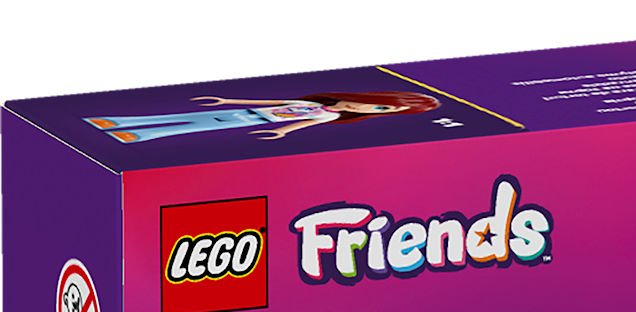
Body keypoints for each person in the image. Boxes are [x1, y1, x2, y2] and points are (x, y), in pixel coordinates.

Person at [85, 90, 439, 144]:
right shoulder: (318, 102)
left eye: (382, 111)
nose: (368, 109)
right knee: (189, 117)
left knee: (187, 128)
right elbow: (269, 99)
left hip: (254, 122)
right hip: (243, 111)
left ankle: (141, 135)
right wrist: (226, 99)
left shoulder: (327, 118)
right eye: (379, 105)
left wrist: (283, 133)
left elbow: (299, 124)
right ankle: (120, 124)